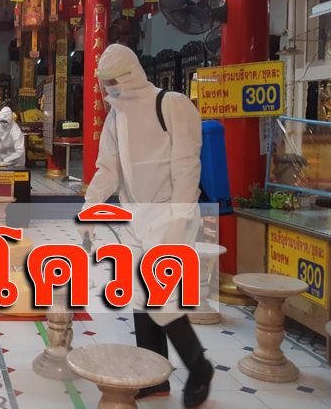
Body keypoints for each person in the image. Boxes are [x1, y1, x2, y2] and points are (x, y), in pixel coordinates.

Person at [82, 44, 212, 407]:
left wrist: (179, 221)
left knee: (161, 298)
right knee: (140, 296)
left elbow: (188, 168)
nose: (109, 90)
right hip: (134, 216)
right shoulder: (115, 118)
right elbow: (108, 169)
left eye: (114, 82)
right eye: (104, 84)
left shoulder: (171, 105)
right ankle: (154, 376)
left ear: (131, 75)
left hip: (170, 213)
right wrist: (90, 206)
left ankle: (199, 367)